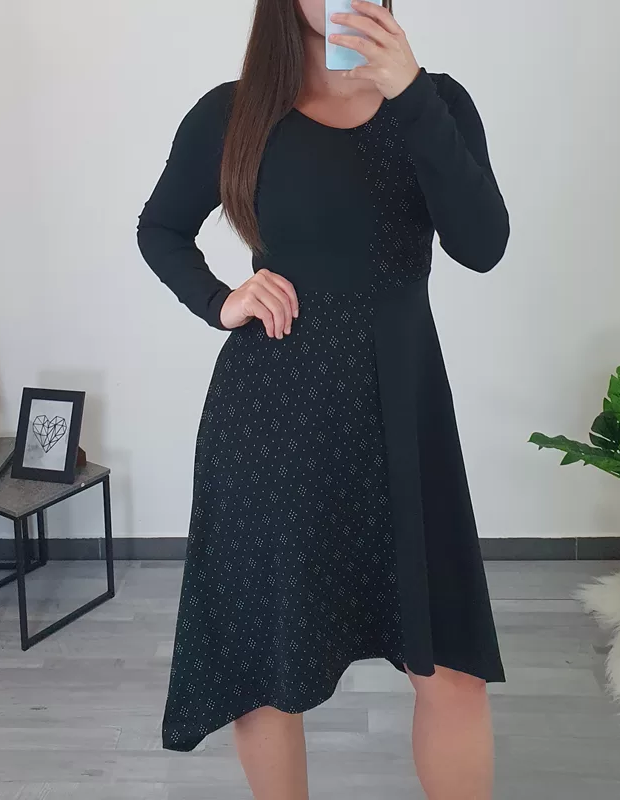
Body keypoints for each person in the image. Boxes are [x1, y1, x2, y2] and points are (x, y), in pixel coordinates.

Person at [137, 0, 509, 797]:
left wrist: (410, 92)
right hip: (273, 422)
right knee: (268, 673)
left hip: (405, 422)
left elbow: (483, 246)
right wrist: (219, 300)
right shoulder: (233, 113)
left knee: (452, 671)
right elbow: (159, 227)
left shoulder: (437, 101)